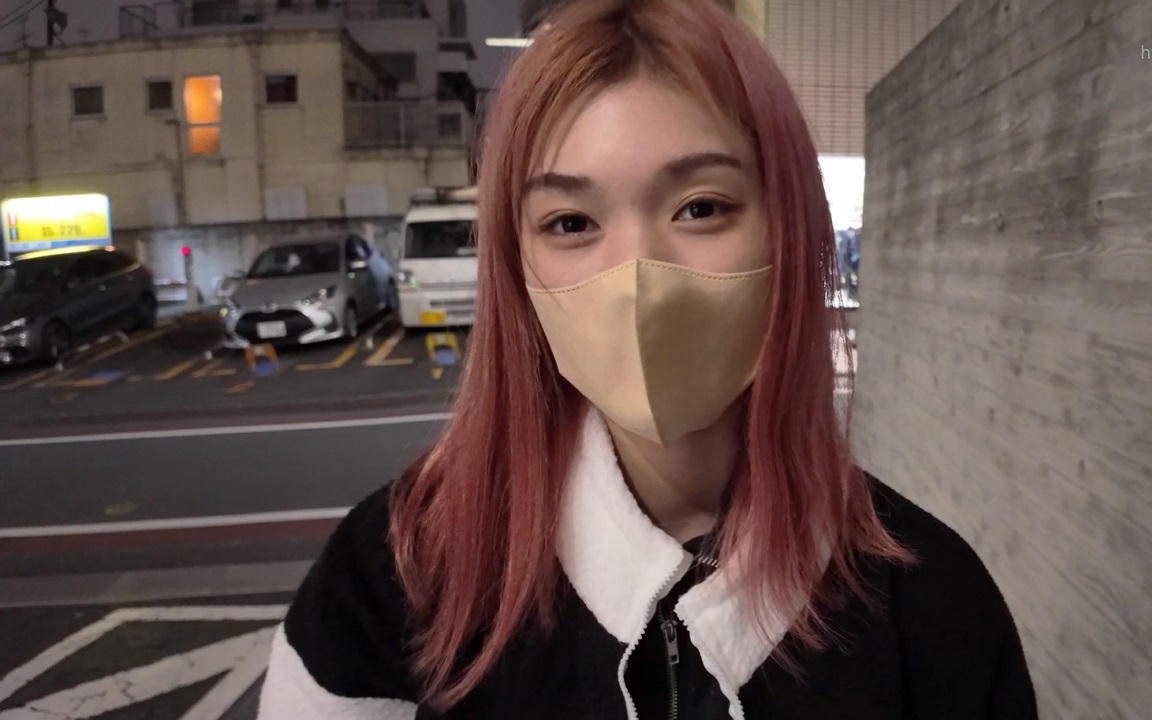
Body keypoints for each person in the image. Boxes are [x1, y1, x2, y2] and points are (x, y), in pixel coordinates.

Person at [256, 1, 1037, 718]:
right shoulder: (398, 572)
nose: (638, 277)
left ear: (789, 232)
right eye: (570, 222)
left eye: (701, 207)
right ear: (515, 268)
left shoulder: (933, 604)